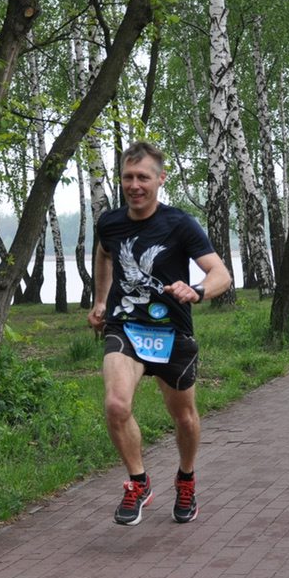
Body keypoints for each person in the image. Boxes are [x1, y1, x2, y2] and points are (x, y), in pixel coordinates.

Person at [88, 141, 232, 526]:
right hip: (125, 326)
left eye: (143, 177)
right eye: (128, 177)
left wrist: (196, 290)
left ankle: (186, 478)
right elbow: (104, 254)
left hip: (171, 331)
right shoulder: (110, 222)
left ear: (160, 179)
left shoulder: (179, 224)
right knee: (116, 405)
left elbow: (221, 273)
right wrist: (100, 301)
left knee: (184, 418)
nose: (134, 186)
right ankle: (138, 482)